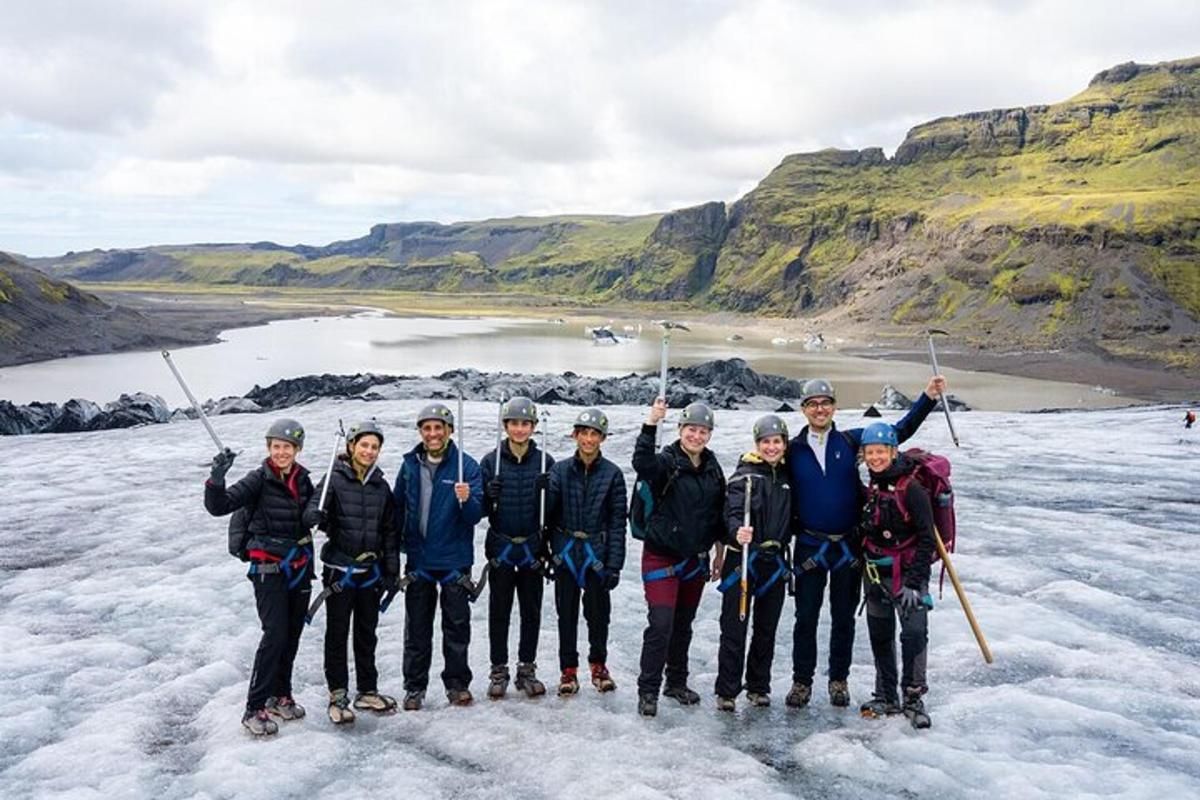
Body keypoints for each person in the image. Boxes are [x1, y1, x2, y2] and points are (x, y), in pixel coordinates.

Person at [786, 374, 946, 710]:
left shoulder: (850, 441)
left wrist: (927, 399)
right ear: (803, 409)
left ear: (834, 407)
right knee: (806, 617)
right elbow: (769, 469)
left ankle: (838, 680)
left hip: (847, 546)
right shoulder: (792, 449)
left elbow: (896, 433)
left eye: (825, 403)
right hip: (809, 547)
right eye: (813, 404)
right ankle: (802, 681)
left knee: (844, 617)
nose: (819, 409)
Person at [205, 418, 314, 736]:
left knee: (291, 635)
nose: (282, 452)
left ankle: (281, 695)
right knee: (275, 634)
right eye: (276, 446)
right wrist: (216, 478)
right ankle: (254, 707)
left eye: (287, 447)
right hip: (269, 570)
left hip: (299, 568)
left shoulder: (303, 481)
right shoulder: (258, 479)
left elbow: (307, 516)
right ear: (269, 448)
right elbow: (219, 506)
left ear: (297, 450)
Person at [632, 399, 726, 717]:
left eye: (702, 431)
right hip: (661, 557)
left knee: (683, 625)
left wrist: (719, 553)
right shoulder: (665, 462)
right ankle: (648, 690)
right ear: (680, 430)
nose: (696, 436)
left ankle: (676, 682)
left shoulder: (713, 469)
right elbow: (641, 463)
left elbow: (718, 516)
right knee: (661, 624)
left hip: (695, 560)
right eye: (691, 430)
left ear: (709, 434)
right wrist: (650, 423)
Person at [304, 419, 401, 724]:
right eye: (364, 445)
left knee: (366, 633)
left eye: (375, 447)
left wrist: (391, 572)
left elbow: (389, 531)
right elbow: (309, 512)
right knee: (337, 633)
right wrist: (314, 515)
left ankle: (367, 690)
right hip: (340, 572)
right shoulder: (334, 479)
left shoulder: (381, 486)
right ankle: (337, 695)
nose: (369, 451)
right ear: (352, 446)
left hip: (369, 573)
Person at [392, 403, 484, 710]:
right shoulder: (409, 466)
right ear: (421, 432)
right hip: (419, 559)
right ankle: (414, 687)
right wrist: (395, 554)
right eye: (427, 428)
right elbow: (396, 511)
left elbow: (474, 516)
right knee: (416, 628)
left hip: (454, 559)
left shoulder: (466, 466)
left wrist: (467, 499)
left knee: (456, 627)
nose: (433, 433)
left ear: (449, 430)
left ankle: (457, 684)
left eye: (438, 427)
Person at [857, 422, 935, 729]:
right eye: (870, 452)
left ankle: (913, 698)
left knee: (914, 634)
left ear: (893, 451)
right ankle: (887, 695)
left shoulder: (911, 488)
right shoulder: (874, 485)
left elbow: (927, 538)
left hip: (907, 575)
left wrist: (915, 583)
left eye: (881, 451)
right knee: (881, 634)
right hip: (876, 573)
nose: (875, 457)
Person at [545, 407, 627, 697]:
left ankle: (598, 665)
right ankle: (568, 671)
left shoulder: (613, 474)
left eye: (594, 434)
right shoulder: (559, 470)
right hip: (566, 552)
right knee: (565, 614)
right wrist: (545, 491)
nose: (588, 440)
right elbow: (548, 515)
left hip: (597, 553)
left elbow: (618, 522)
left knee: (598, 614)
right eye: (584, 433)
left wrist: (614, 564)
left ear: (601, 438)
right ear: (575, 435)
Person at [714, 414, 792, 711]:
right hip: (743, 559)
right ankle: (727, 690)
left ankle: (758, 686)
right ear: (756, 444)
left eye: (776, 442)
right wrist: (737, 531)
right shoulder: (743, 477)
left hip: (775, 562)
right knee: (735, 626)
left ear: (784, 444)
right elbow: (732, 512)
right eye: (765, 442)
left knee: (766, 629)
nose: (771, 447)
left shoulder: (787, 477)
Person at [479, 396, 554, 699]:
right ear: (505, 425)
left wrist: (549, 491)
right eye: (514, 423)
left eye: (525, 424)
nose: (520, 429)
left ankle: (527, 668)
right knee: (499, 611)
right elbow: (481, 510)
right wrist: (487, 492)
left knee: (531, 611)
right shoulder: (490, 461)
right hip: (501, 546)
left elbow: (551, 512)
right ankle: (499, 669)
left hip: (532, 548)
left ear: (533, 427)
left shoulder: (545, 462)